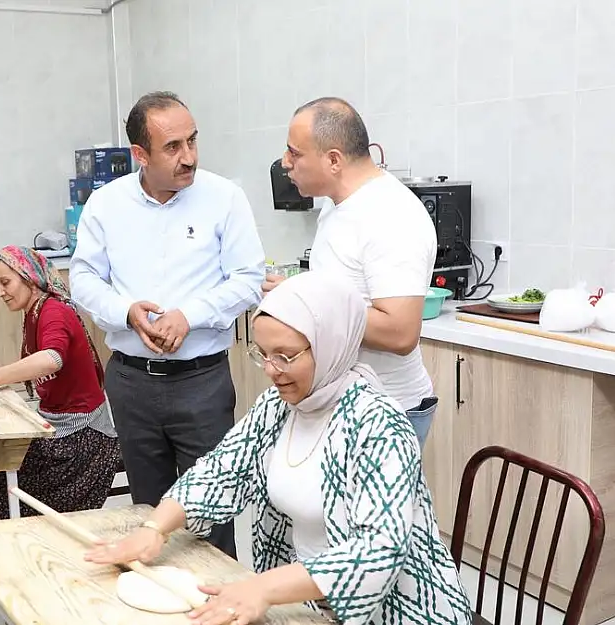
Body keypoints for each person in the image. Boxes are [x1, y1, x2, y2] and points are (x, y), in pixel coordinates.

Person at [85, 272, 472, 625]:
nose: (271, 369)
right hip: (305, 600)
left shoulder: (379, 426)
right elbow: (222, 470)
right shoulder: (279, 405)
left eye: (286, 356)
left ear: (331, 343)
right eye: (263, 355)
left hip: (398, 612)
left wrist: (264, 588)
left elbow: (377, 552)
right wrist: (155, 528)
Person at [70, 91, 265, 558]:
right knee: (147, 516)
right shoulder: (106, 204)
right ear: (140, 154)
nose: (189, 157)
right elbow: (83, 277)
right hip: (131, 383)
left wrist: (188, 316)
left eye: (193, 141)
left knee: (210, 514)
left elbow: (249, 279)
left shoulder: (224, 198)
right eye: (173, 147)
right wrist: (125, 311)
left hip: (201, 383)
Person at [264, 97, 439, 448]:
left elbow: (400, 332)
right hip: (344, 403)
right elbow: (341, 296)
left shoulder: (391, 214)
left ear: (333, 160)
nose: (285, 164)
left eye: (294, 153)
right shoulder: (336, 204)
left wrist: (304, 303)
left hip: (386, 411)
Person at [0, 245, 120, 520]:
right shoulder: (34, 312)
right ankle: (14, 526)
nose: (0, 292)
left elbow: (52, 359)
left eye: (5, 282)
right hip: (57, 424)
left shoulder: (53, 311)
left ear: (29, 277)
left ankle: (22, 531)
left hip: (83, 438)